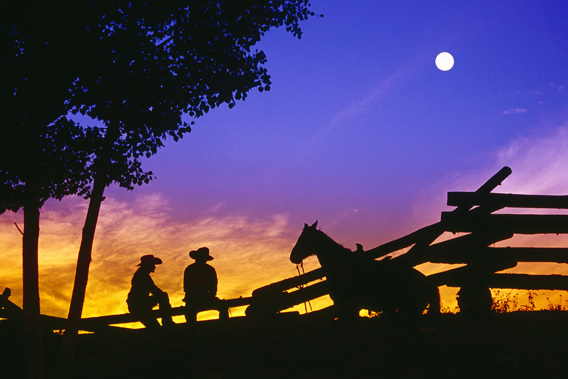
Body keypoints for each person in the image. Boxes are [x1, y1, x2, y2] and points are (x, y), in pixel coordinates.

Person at [126, 254, 174, 328]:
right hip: (139, 307)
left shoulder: (141, 274)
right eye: (153, 264)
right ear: (148, 265)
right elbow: (154, 290)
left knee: (154, 327)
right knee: (163, 296)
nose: (154, 266)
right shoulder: (143, 276)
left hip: (137, 306)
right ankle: (167, 321)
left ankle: (167, 321)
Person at [183, 247, 228, 322]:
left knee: (190, 314)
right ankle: (224, 326)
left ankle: (190, 329)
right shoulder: (210, 269)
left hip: (194, 299)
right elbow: (214, 287)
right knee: (223, 307)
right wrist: (210, 296)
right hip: (199, 298)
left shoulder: (189, 269)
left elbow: (186, 288)